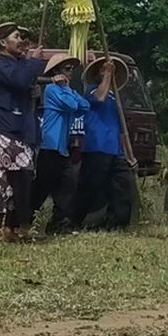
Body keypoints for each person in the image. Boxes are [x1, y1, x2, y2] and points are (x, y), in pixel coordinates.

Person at [0, 23, 46, 242]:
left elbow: (25, 84)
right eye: (16, 36)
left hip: (21, 128)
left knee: (21, 178)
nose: (21, 41)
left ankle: (12, 225)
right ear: (3, 42)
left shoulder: (19, 64)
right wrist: (34, 62)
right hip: (4, 127)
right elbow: (19, 80)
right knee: (7, 178)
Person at [70, 56, 135, 231]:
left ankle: (117, 224)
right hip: (97, 147)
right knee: (89, 187)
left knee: (123, 187)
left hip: (116, 151)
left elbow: (122, 130)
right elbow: (100, 97)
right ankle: (72, 222)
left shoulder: (117, 99)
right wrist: (107, 74)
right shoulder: (91, 91)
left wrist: (129, 154)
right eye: (103, 71)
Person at [33, 53, 87, 235]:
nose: (71, 72)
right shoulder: (51, 90)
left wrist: (69, 89)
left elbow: (85, 105)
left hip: (62, 148)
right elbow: (73, 106)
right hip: (50, 146)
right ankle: (22, 221)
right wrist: (65, 89)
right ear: (57, 71)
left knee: (67, 187)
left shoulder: (65, 90)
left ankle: (58, 223)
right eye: (67, 69)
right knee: (41, 189)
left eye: (72, 69)